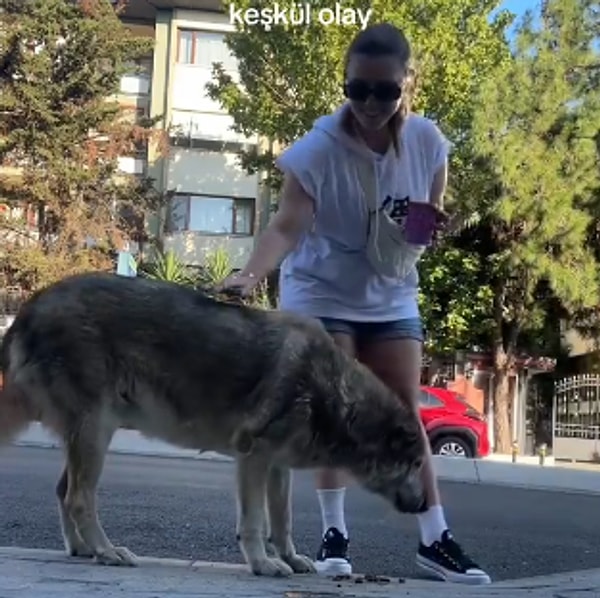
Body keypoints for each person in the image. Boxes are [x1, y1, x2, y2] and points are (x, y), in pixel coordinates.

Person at [219, 22, 491, 586]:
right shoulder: (318, 149)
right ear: (345, 85)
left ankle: (434, 539)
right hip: (320, 288)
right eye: (357, 90)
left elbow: (424, 222)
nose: (369, 103)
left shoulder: (429, 143)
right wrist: (249, 275)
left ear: (404, 86)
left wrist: (429, 227)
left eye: (383, 91)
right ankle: (334, 534)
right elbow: (287, 225)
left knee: (402, 413)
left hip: (389, 292)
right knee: (337, 410)